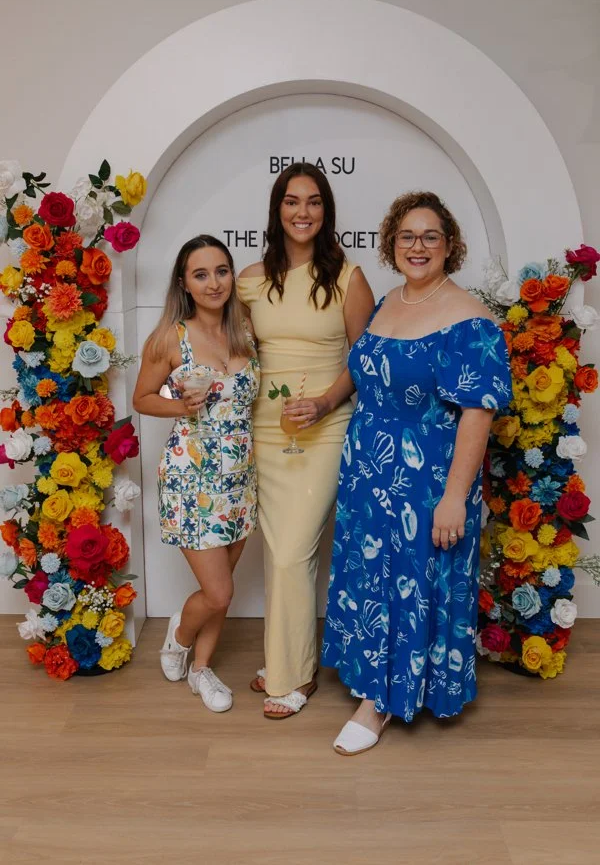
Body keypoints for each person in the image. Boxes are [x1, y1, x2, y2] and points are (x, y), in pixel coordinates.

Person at [295, 191, 512, 753]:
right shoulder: (388, 302)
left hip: (427, 480)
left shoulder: (472, 320)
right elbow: (363, 368)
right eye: (407, 236)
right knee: (372, 582)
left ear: (449, 246)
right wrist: (322, 403)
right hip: (369, 473)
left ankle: (381, 704)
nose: (419, 246)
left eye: (431, 236)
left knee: (408, 584)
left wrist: (454, 497)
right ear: (393, 244)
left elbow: (477, 413)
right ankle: (373, 676)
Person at [237, 162, 374, 718]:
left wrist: (322, 402)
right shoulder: (249, 278)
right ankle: (287, 654)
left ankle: (294, 677)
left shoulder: (349, 276)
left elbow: (363, 363)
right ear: (277, 210)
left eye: (314, 202)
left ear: (326, 210)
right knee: (279, 552)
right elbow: (234, 352)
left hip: (325, 427)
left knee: (294, 550)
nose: (302, 212)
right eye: (292, 201)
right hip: (265, 429)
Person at [133, 235, 259, 713]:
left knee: (222, 586)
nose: (214, 282)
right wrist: (178, 405)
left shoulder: (246, 330)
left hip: (241, 476)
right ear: (184, 283)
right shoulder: (171, 337)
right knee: (219, 589)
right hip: (192, 478)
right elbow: (141, 398)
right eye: (201, 274)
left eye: (222, 271)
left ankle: (201, 670)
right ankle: (178, 638)